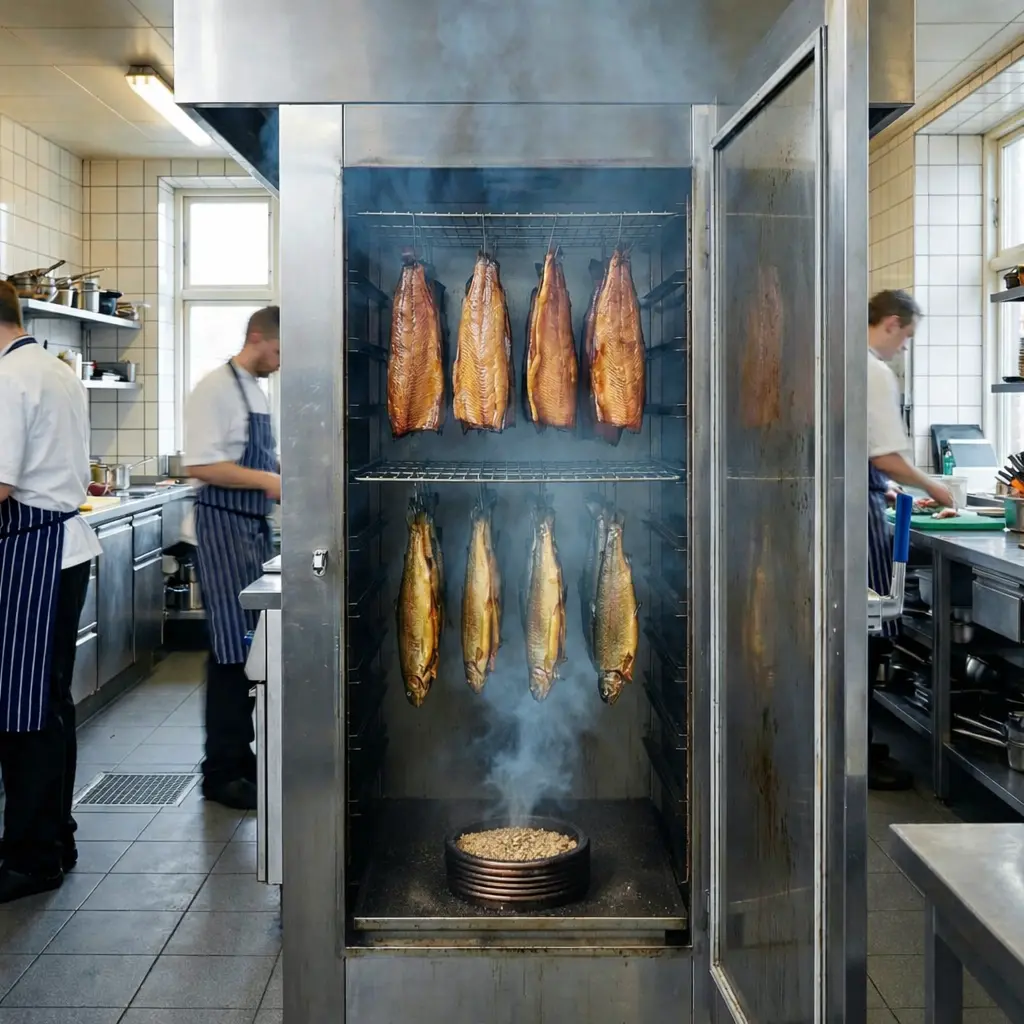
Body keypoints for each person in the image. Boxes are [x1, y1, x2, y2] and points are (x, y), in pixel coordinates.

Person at [0, 281, 101, 901]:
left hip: (31, 553)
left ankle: (31, 858)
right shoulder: (57, 370)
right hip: (60, 549)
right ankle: (54, 838)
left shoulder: (10, 380)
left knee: (24, 713)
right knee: (50, 705)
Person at [186, 307, 281, 810]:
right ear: (258, 337)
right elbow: (199, 463)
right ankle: (220, 772)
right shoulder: (215, 389)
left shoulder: (253, 389)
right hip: (222, 527)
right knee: (229, 651)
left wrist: (284, 468)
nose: (281, 362)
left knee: (250, 648)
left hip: (249, 529)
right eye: (279, 351)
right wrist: (270, 482)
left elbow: (256, 456)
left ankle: (242, 758)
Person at [867, 289, 953, 790]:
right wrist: (933, 484)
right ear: (892, 324)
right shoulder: (874, 372)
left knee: (865, 632)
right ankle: (859, 754)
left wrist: (897, 484)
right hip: (860, 516)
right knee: (871, 632)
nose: (904, 349)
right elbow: (883, 457)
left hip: (861, 503)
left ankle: (857, 745)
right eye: (907, 339)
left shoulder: (845, 362)